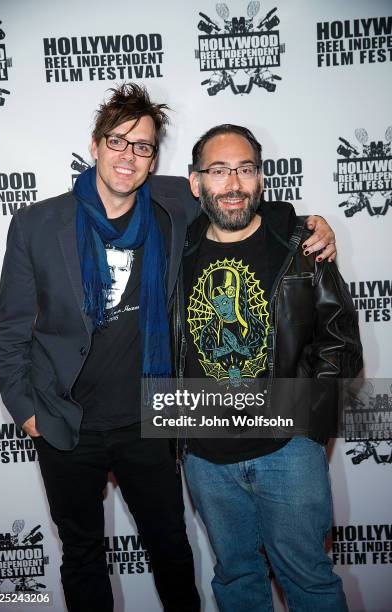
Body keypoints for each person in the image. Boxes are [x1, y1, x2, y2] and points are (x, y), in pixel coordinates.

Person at [0, 84, 336, 612]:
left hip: (151, 419)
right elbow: (11, 332)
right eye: (119, 141)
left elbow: (236, 196)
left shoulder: (175, 202)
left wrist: (311, 224)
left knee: (173, 553)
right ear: (96, 144)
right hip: (66, 421)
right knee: (82, 556)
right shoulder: (39, 224)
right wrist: (28, 415)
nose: (130, 156)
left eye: (144, 146)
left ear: (156, 159)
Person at [177, 124, 363, 612]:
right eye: (219, 171)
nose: (233, 183)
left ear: (261, 178)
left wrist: (308, 428)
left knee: (310, 582)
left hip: (287, 452)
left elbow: (340, 343)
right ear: (196, 183)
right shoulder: (175, 249)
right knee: (237, 581)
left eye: (245, 169)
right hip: (206, 458)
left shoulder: (301, 245)